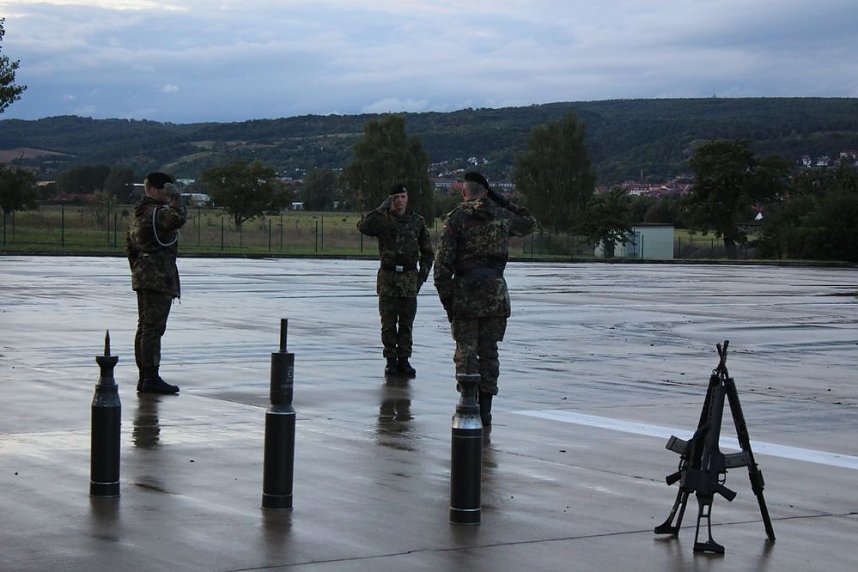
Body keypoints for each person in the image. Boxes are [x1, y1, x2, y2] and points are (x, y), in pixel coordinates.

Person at [433, 172, 536, 425]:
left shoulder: (457, 218)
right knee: (489, 352)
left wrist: (449, 303)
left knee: (466, 350)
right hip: (494, 293)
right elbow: (530, 222)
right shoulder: (501, 217)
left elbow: (442, 268)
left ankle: (469, 403)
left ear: (463, 192)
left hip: (466, 293)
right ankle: (487, 408)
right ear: (486, 192)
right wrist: (501, 201)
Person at [357, 183, 434, 377]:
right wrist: (381, 208)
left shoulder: (417, 222)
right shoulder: (383, 220)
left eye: (402, 196)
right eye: (396, 197)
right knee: (389, 322)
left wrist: (421, 278)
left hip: (409, 278)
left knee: (407, 323)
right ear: (390, 199)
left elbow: (427, 253)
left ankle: (404, 359)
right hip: (388, 278)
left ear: (407, 198)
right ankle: (391, 360)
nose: (399, 200)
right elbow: (364, 227)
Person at [126, 172, 187, 394]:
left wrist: (139, 269)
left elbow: (130, 248)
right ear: (152, 189)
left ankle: (146, 376)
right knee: (153, 328)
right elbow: (178, 218)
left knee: (145, 327)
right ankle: (150, 377)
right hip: (158, 277)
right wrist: (176, 197)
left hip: (143, 275)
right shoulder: (156, 213)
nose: (166, 192)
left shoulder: (139, 213)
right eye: (164, 188)